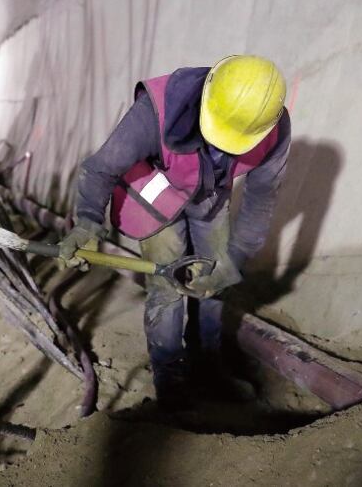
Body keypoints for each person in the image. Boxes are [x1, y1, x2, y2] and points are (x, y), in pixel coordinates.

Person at [58, 55, 291, 408]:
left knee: (214, 277)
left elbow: (261, 196)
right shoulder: (158, 110)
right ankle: (171, 383)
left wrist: (235, 258)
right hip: (155, 192)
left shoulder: (272, 128)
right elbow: (100, 168)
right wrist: (88, 221)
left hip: (210, 198)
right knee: (166, 286)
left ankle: (208, 365)